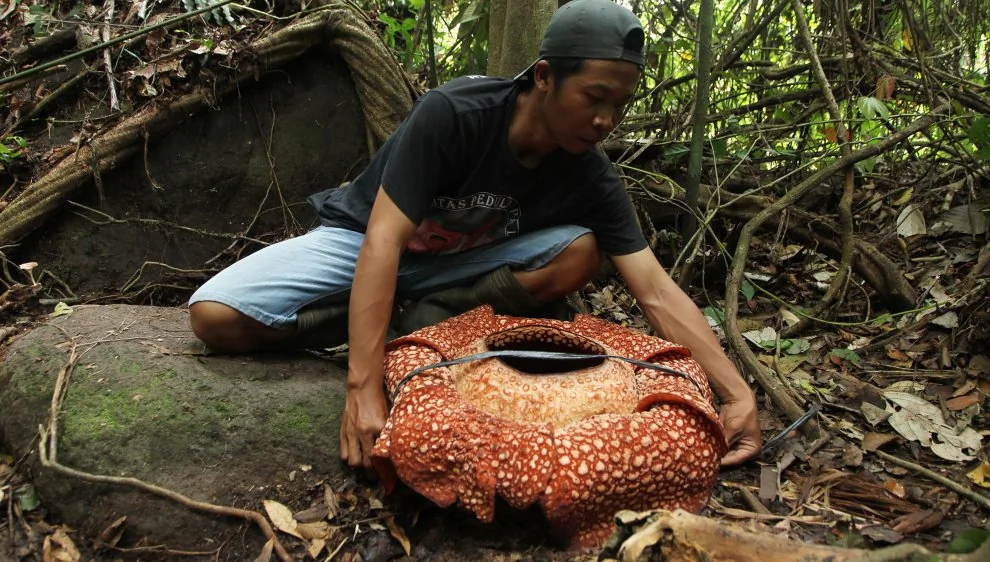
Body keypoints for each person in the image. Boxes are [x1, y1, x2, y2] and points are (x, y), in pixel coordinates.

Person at [188, 0, 761, 472]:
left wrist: (736, 394)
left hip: (459, 267)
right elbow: (383, 242)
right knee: (216, 317)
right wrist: (363, 386)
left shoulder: (589, 171)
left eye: (619, 105)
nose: (605, 120)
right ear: (544, 77)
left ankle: (428, 317)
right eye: (593, 97)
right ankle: (381, 323)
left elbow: (654, 289)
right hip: (363, 241)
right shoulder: (455, 114)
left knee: (582, 249)